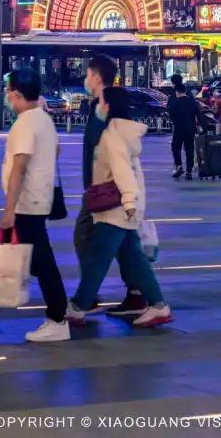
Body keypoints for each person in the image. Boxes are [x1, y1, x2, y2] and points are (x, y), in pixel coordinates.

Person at [0, 69, 69, 342]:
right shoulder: (43, 119)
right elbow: (55, 151)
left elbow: (19, 168)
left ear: (17, 94)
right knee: (17, 258)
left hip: (26, 205)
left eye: (7, 91)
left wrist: (8, 209)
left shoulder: (25, 123)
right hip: (35, 201)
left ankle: (58, 318)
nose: (5, 96)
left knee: (40, 263)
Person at [66, 86, 173, 327]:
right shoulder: (124, 132)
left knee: (98, 258)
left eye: (101, 102)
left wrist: (128, 201)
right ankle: (158, 306)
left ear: (109, 106)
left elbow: (122, 171)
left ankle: (78, 307)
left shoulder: (112, 135)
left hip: (116, 208)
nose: (98, 106)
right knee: (134, 259)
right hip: (126, 206)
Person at [75, 55, 145, 316]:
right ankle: (138, 295)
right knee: (127, 245)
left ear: (95, 76)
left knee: (85, 238)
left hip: (106, 188)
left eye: (86, 74)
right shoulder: (102, 102)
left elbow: (113, 145)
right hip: (104, 187)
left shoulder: (109, 102)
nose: (84, 79)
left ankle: (86, 298)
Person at [166, 74, 205, 180]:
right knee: (189, 149)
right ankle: (189, 171)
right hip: (190, 128)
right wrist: (201, 127)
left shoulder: (174, 100)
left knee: (176, 148)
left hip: (178, 128)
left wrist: (174, 121)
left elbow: (170, 114)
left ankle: (178, 166)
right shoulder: (192, 101)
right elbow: (198, 114)